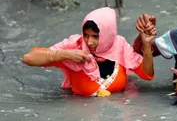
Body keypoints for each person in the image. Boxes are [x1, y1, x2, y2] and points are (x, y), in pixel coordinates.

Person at [22, 7, 157, 97]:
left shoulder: (119, 46)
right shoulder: (74, 46)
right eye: (86, 35)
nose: (89, 42)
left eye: (95, 36)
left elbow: (146, 75)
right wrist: (64, 54)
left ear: (107, 35)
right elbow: (28, 58)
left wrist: (146, 45)